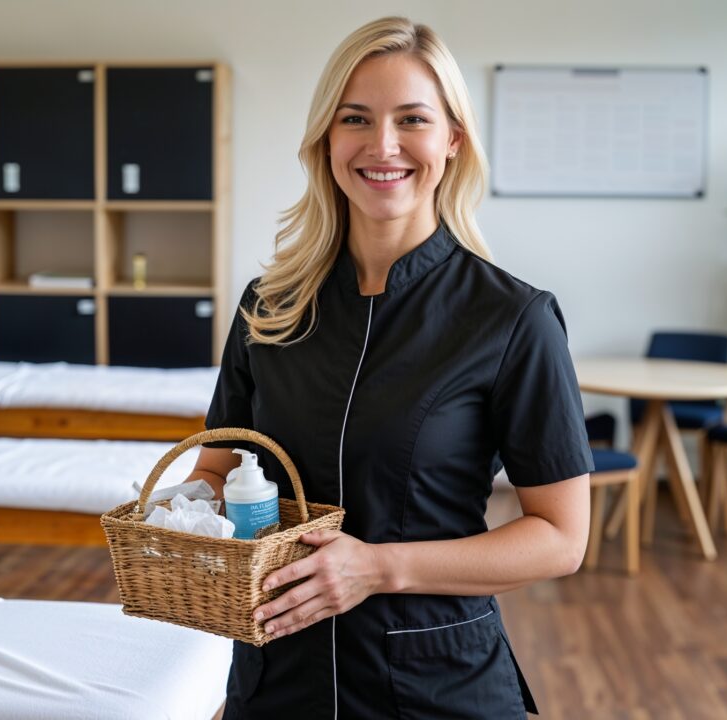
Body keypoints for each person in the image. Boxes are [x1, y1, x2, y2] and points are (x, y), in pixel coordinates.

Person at [187, 16, 593, 719]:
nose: (382, 146)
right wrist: (182, 514)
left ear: (451, 141)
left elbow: (560, 539)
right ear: (326, 140)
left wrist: (379, 567)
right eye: (356, 119)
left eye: (412, 120)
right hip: (279, 676)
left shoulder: (511, 319)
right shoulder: (269, 308)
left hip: (436, 685)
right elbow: (218, 466)